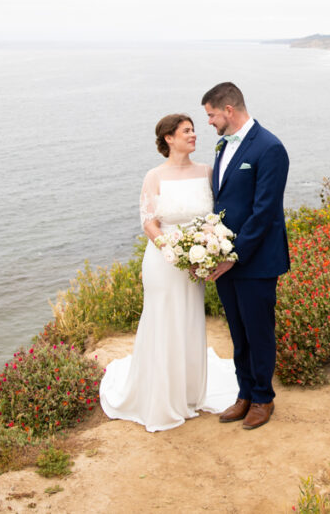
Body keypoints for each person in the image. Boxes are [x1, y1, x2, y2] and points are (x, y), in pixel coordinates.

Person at [99, 113, 237, 431]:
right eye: (186, 131)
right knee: (163, 319)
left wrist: (207, 247)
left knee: (189, 319)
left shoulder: (207, 171)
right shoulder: (154, 176)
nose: (193, 135)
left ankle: (189, 392)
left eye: (193, 130)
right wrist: (172, 250)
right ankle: (160, 395)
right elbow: (149, 222)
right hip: (164, 260)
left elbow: (217, 213)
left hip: (197, 260)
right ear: (169, 139)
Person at [203, 82, 290, 430]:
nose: (208, 122)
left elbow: (265, 212)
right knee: (237, 332)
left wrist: (234, 255)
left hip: (255, 260)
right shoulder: (224, 145)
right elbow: (223, 202)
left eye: (210, 115)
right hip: (225, 259)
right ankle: (244, 394)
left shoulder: (270, 148)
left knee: (258, 332)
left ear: (228, 110)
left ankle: (263, 399)